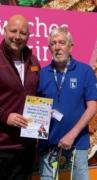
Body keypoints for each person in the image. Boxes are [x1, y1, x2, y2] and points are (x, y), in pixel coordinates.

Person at [38, 26, 97, 180]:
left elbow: (92, 107)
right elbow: (36, 105)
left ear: (70, 46)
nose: (57, 47)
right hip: (48, 143)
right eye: (53, 44)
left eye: (62, 42)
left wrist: (72, 135)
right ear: (49, 48)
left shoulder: (85, 71)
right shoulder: (42, 74)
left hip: (77, 141)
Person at [0, 14, 40, 179]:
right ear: (4, 31)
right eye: (13, 31)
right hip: (2, 146)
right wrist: (5, 116)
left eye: (23, 33)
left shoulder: (34, 61)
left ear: (28, 37)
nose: (17, 36)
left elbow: (37, 94)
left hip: (26, 147)